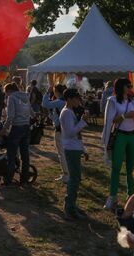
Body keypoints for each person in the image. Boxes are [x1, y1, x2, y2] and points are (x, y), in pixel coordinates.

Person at [102, 78, 134, 210]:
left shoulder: (133, 101)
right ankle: (112, 197)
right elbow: (110, 121)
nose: (131, 88)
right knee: (116, 168)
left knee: (131, 168)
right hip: (120, 135)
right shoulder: (112, 101)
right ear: (121, 87)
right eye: (128, 86)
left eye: (131, 86)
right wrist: (125, 116)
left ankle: (131, 196)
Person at [60, 89, 88, 220]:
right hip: (71, 148)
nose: (79, 101)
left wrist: (83, 149)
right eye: (77, 98)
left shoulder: (69, 112)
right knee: (74, 178)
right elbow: (71, 132)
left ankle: (71, 204)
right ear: (70, 99)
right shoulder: (66, 113)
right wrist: (82, 121)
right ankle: (70, 208)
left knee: (76, 178)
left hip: (74, 148)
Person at [1, 82, 33, 186]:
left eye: (6, 93)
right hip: (26, 127)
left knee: (11, 155)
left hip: (16, 128)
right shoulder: (26, 96)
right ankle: (24, 180)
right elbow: (32, 112)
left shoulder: (12, 98)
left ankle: (8, 180)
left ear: (9, 91)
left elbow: (10, 116)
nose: (6, 95)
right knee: (25, 155)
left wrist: (4, 129)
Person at [43, 84, 69, 183]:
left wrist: (47, 92)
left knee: (61, 153)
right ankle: (68, 173)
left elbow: (45, 104)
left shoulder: (59, 102)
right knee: (66, 153)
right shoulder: (66, 101)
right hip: (67, 130)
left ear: (57, 92)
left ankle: (66, 174)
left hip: (60, 130)